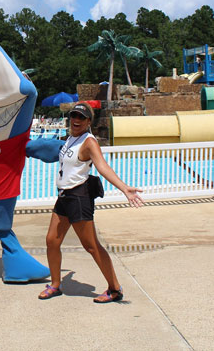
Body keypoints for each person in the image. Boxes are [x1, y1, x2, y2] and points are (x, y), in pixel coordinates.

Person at [38, 102, 144, 303]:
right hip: (63, 197)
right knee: (52, 240)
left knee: (91, 245)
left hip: (78, 198)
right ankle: (55, 284)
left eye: (81, 117)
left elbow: (102, 166)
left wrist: (124, 188)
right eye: (74, 116)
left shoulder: (89, 142)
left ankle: (115, 289)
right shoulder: (71, 138)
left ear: (88, 121)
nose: (76, 120)